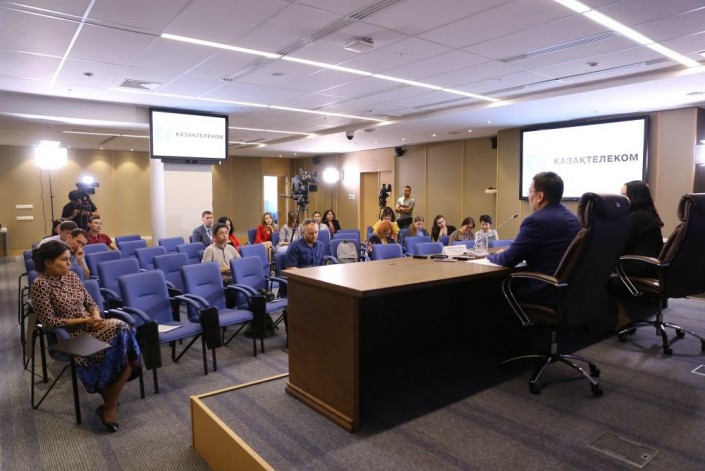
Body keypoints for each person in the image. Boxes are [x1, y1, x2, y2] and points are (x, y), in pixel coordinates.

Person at [30, 241, 141, 432]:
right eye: (64, 260)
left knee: (123, 332)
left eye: (69, 259)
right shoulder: (40, 285)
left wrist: (95, 317)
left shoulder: (72, 277)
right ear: (48, 262)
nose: (69, 264)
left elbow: (91, 303)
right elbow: (49, 322)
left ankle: (109, 401)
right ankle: (111, 404)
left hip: (92, 326)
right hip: (70, 335)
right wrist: (85, 320)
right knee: (122, 332)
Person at [488, 171, 581, 304]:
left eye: (530, 192)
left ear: (540, 196)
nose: (529, 197)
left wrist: (491, 256)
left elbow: (508, 259)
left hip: (544, 291)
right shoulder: (573, 219)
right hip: (569, 292)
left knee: (489, 290)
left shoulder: (536, 221)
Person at [620, 180, 664, 277]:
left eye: (624, 195)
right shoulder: (646, 213)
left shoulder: (637, 217)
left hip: (639, 266)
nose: (620, 199)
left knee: (600, 263)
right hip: (647, 265)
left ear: (635, 196)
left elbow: (620, 244)